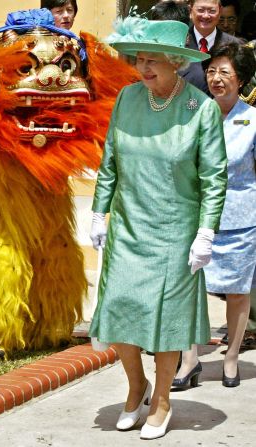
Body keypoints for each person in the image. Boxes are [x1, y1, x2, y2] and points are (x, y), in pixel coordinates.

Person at [89, 18, 227, 440]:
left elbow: (214, 177)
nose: (142, 68)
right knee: (121, 310)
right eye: (139, 59)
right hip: (129, 227)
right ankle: (136, 387)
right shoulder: (128, 98)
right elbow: (110, 158)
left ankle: (162, 399)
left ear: (175, 62)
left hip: (176, 232)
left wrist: (206, 232)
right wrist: (99, 212)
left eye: (152, 61)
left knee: (166, 321)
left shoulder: (200, 109)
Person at [173, 42, 256, 389]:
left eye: (225, 72)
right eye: (212, 71)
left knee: (238, 293)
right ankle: (189, 359)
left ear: (241, 80)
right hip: (196, 217)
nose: (216, 79)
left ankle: (232, 357)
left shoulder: (252, 119)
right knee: (189, 289)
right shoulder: (193, 112)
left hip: (239, 219)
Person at [182, 0, 240, 93]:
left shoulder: (236, 46)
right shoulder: (178, 43)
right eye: (201, 10)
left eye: (212, 11)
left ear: (220, 11)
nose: (205, 16)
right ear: (190, 11)